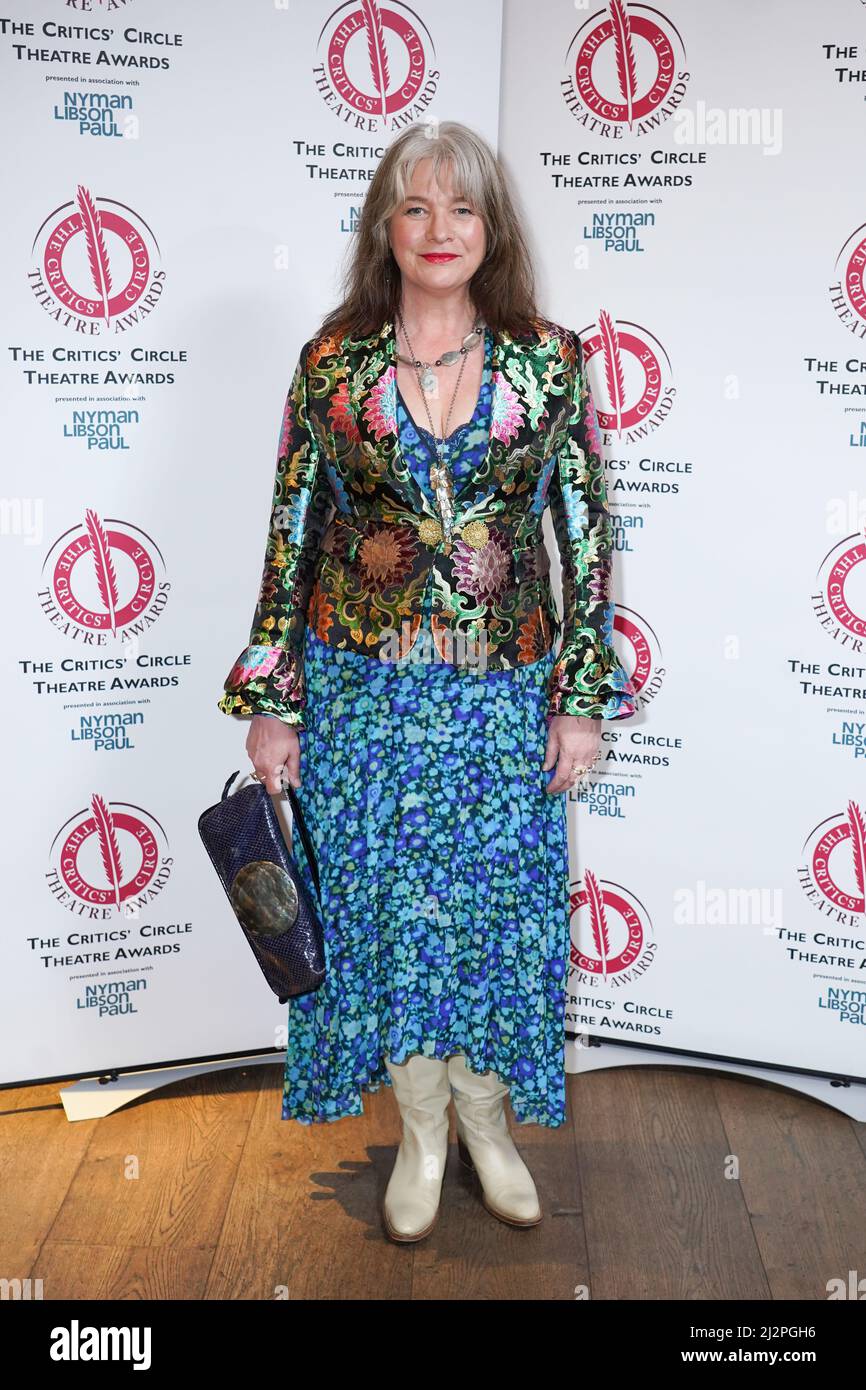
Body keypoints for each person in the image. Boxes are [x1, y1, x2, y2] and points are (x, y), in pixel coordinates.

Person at [218, 121, 636, 1243]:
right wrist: (271, 696)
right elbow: (290, 534)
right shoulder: (332, 364)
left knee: (498, 914)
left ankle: (487, 1125)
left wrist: (580, 695)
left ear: (488, 229)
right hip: (364, 694)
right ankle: (420, 1129)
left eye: (460, 208)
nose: (438, 229)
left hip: (502, 693)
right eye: (414, 207)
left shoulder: (547, 358)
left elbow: (585, 536)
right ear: (383, 228)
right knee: (385, 913)